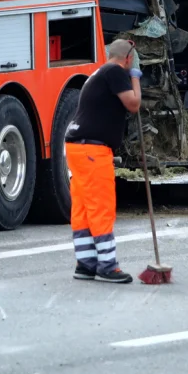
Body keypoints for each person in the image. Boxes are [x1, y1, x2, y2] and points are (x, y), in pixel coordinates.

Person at [65, 38, 142, 284]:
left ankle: (86, 263)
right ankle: (107, 265)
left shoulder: (99, 72)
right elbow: (133, 104)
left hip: (77, 146)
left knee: (84, 208)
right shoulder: (115, 71)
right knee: (101, 206)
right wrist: (136, 77)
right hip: (92, 151)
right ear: (128, 58)